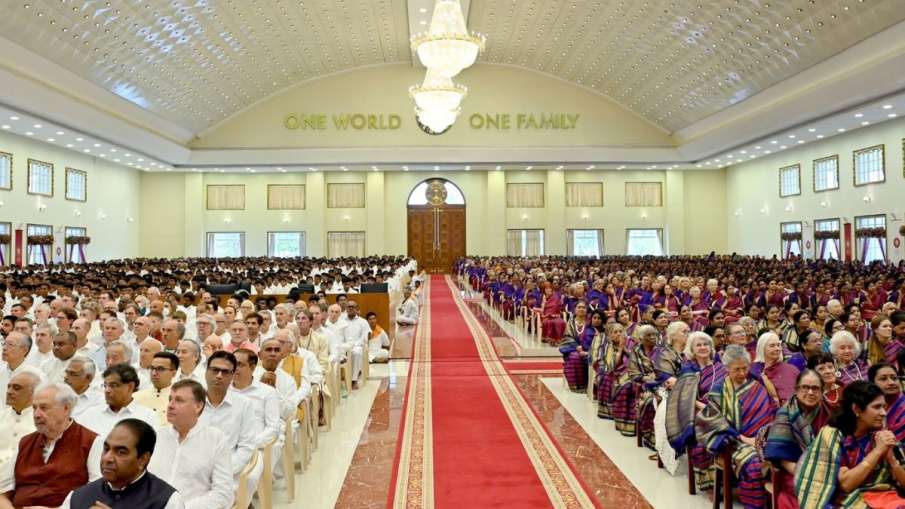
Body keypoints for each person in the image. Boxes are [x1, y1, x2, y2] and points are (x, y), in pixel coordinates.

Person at [796, 381, 905, 508]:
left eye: (884, 407)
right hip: (844, 500)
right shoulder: (833, 436)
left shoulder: (881, 435)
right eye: (876, 407)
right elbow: (847, 485)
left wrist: (892, 461)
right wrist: (877, 452)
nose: (884, 413)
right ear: (856, 409)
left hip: (885, 497)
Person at [695, 344, 778, 509]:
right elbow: (713, 420)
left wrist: (767, 436)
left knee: (785, 455)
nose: (742, 373)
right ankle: (756, 505)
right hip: (733, 440)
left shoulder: (756, 383)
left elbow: (770, 410)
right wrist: (743, 438)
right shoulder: (719, 390)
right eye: (736, 369)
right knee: (754, 463)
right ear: (727, 368)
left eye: (745, 368)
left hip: (763, 437)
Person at [0, 383, 103, 508]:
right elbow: (3, 493)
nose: (36, 414)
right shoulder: (25, 442)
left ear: (66, 409)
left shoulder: (91, 442)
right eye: (34, 408)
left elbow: (97, 493)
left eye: (43, 408)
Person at [148, 379, 234, 509]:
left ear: (198, 406)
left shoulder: (215, 439)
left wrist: (180, 507)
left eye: (179, 400)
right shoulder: (156, 436)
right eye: (170, 399)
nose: (170, 405)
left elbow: (224, 494)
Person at [60, 419, 182, 509]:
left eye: (121, 452)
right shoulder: (78, 497)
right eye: (106, 449)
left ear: (143, 459)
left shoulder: (166, 500)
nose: (107, 458)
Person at [667, 331, 727, 491]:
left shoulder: (721, 368)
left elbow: (730, 396)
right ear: (692, 349)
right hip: (698, 415)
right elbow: (685, 400)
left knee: (726, 435)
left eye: (706, 344)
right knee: (701, 442)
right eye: (698, 345)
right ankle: (711, 485)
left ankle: (728, 479)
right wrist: (706, 408)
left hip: (724, 412)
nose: (703, 347)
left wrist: (714, 409)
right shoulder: (688, 371)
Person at [763, 369, 830, 509]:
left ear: (822, 391)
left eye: (815, 388)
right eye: (805, 387)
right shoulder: (786, 413)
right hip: (793, 471)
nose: (810, 392)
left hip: (826, 470)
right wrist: (808, 474)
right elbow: (781, 457)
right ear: (796, 389)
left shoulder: (829, 412)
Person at [76, 363, 157, 437]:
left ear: (130, 386)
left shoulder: (147, 417)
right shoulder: (90, 415)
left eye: (113, 385)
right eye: (105, 385)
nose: (107, 390)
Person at [0, 372, 41, 474]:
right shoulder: (1, 416)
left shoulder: (42, 421)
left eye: (16, 388)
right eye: (8, 387)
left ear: (33, 393)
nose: (9, 391)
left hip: (23, 477)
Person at [596, 322, 632, 419]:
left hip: (629, 371)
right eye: (615, 332)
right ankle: (611, 412)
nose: (619, 334)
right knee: (607, 379)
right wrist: (620, 350)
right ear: (610, 335)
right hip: (612, 371)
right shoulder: (607, 346)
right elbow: (612, 366)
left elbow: (634, 359)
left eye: (621, 331)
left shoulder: (630, 343)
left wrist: (625, 349)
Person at [750, 331, 800, 403]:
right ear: (762, 348)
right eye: (772, 345)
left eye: (778, 345)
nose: (777, 348)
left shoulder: (791, 370)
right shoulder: (754, 370)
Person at [134, 352, 180, 425]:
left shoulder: (180, 400)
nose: (154, 373)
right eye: (152, 368)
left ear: (174, 373)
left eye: (160, 369)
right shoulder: (135, 397)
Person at [869, 363, 905, 441]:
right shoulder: (868, 409)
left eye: (894, 378)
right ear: (872, 383)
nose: (891, 382)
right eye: (883, 379)